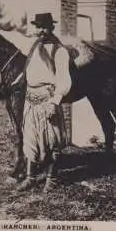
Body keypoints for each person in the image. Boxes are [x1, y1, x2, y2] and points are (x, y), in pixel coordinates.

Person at [18, 13, 72, 192]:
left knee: (51, 141)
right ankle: (30, 178)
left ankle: (51, 179)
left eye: (44, 27)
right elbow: (14, 38)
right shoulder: (33, 47)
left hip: (48, 100)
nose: (41, 30)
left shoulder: (59, 51)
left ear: (51, 28)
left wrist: (54, 102)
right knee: (30, 139)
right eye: (38, 26)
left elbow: (64, 80)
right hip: (31, 99)